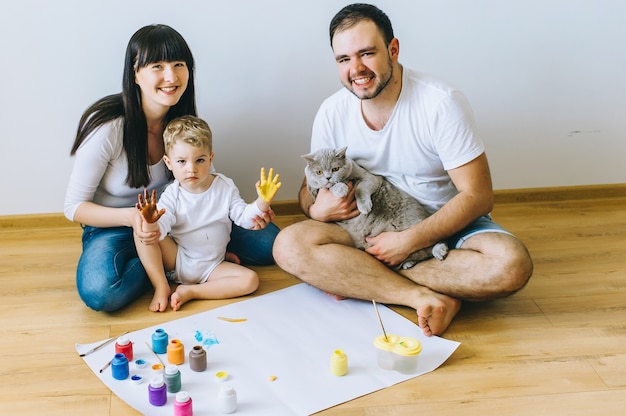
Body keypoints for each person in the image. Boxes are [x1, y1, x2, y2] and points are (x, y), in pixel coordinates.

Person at [273, 4, 533, 336]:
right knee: (287, 245)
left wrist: (408, 241)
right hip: (365, 226)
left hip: (441, 223)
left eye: (367, 53)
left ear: (392, 50)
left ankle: (363, 277)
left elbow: (479, 197)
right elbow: (307, 190)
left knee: (510, 266)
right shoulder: (332, 112)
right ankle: (421, 296)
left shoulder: (440, 102)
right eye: (344, 59)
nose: (356, 69)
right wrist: (316, 208)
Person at [64, 24, 279, 312]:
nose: (171, 76)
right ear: (134, 73)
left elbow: (202, 179)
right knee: (102, 292)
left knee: (271, 245)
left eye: (179, 64)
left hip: (179, 219)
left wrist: (246, 214)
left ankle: (196, 262)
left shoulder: (181, 122)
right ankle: (170, 271)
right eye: (157, 66)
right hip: (115, 224)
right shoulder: (108, 127)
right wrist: (134, 218)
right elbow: (73, 207)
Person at [134, 115, 282, 312]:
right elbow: (159, 231)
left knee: (251, 280)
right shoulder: (173, 193)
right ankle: (161, 285)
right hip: (177, 259)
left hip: (213, 266)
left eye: (199, 160)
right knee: (140, 230)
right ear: (168, 163)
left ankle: (192, 292)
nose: (191, 169)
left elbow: (244, 217)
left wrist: (261, 202)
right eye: (182, 162)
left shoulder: (225, 186)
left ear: (210, 158)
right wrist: (151, 222)